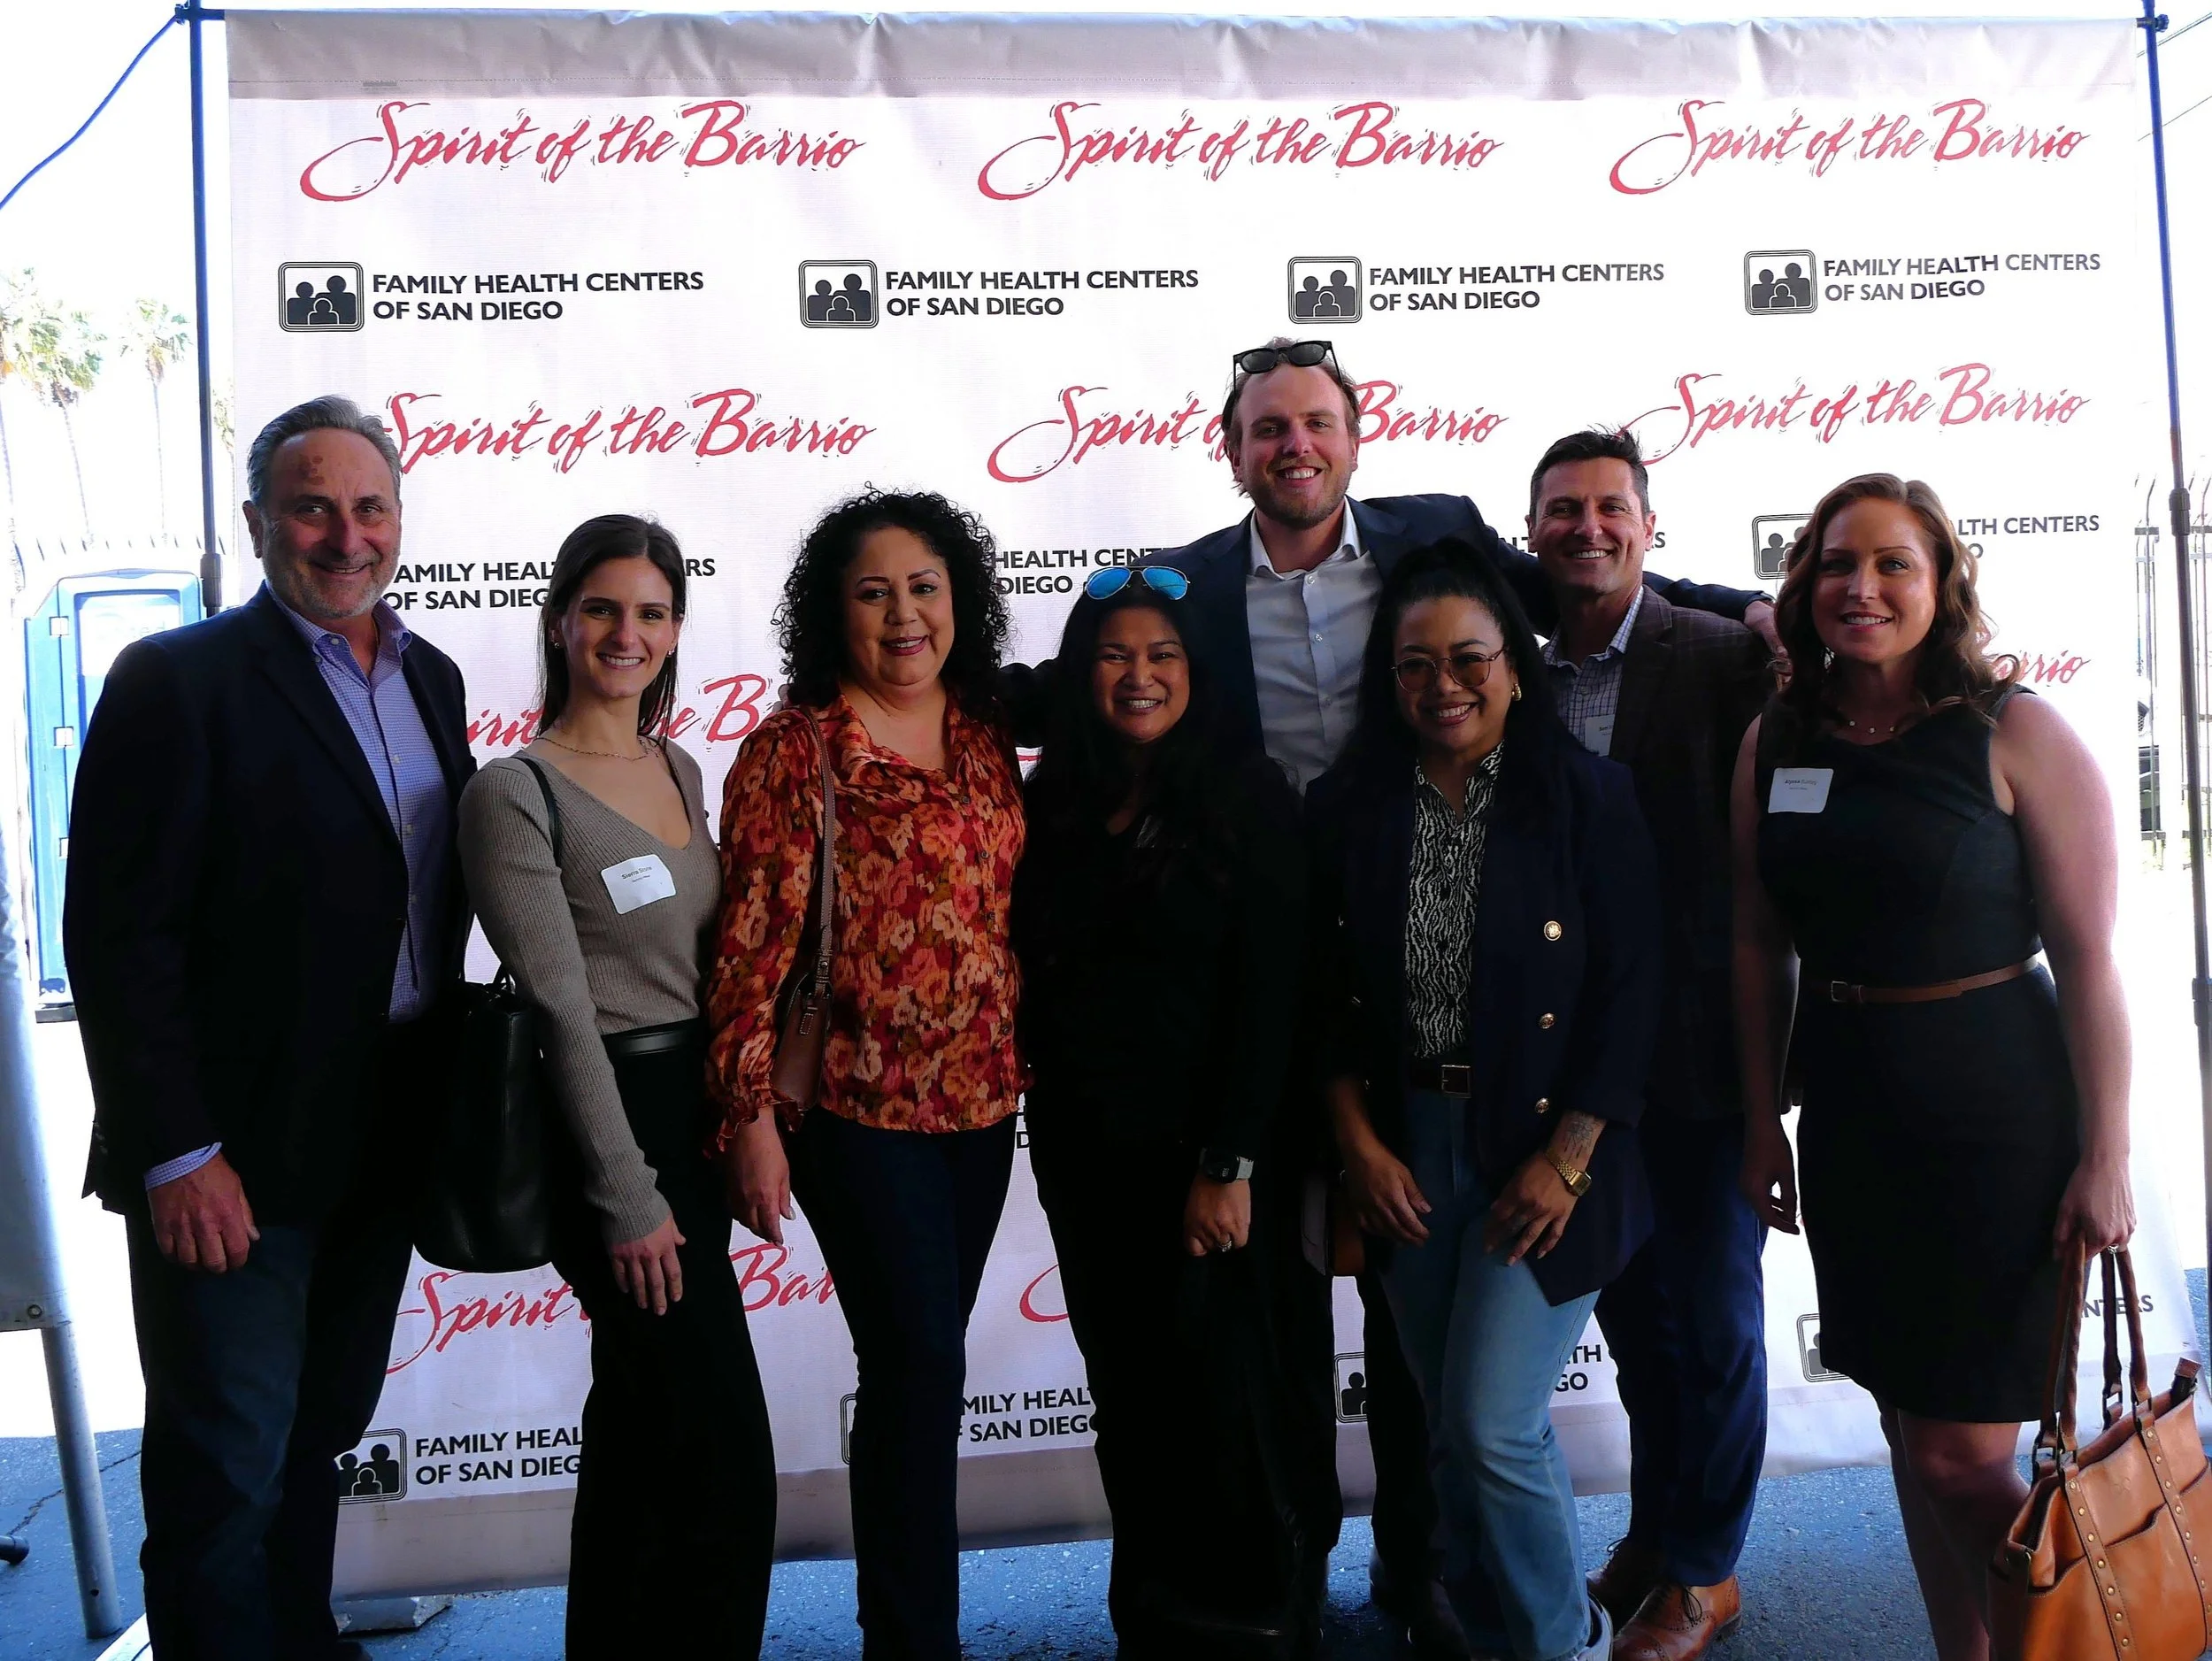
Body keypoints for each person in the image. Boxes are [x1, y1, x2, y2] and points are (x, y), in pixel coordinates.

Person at [1001, 335, 1775, 1659]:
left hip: (1453, 970)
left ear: (1356, 440)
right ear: (1230, 446)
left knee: (1453, 1383)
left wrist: (1759, 607)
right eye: (1266, 429)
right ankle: (1292, 1576)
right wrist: (918, 679)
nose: (1292, 446)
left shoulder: (1439, 542)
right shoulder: (1182, 586)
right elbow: (1089, 681)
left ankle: (1442, 1582)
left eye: (1315, 423)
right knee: (1295, 1308)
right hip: (1303, 983)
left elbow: (1584, 579)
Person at [63, 396, 473, 1661]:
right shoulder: (176, 681)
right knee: (222, 1471)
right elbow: (119, 939)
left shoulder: (432, 677)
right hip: (230, 1161)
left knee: (319, 1438)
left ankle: (301, 1639)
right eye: (312, 506)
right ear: (258, 524)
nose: (343, 536)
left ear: (398, 522)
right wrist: (174, 1151)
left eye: (368, 508)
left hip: (381, 1139)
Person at [1733, 473, 2133, 1661]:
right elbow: (1756, 946)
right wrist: (1764, 1121)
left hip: (1997, 1116)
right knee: (1911, 1427)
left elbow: (2092, 958)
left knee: (1966, 1455)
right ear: (1805, 586)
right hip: (1854, 1114)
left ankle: (2070, 1644)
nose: (1862, 588)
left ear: (1942, 582)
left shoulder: (2013, 728)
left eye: (1894, 564)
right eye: (1838, 565)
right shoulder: (1778, 737)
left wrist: (2109, 1152)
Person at [1310, 540, 1663, 1661]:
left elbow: (1635, 985)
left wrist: (1568, 1155)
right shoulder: (1347, 804)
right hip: (1407, 1148)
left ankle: (1567, 1645)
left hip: (1548, 1147)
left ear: (1515, 664)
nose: (1443, 684)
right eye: (1414, 665)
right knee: (1452, 1437)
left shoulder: (1588, 797)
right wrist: (1357, 1147)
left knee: (1490, 1422)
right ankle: (1501, 1635)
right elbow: (1317, 993)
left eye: (1468, 658)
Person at [707, 488, 1025, 1661]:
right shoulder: (798, 747)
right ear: (833, 614)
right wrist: (746, 1113)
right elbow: (750, 943)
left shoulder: (988, 736)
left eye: (925, 586)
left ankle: (912, 1629)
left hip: (987, 1104)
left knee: (922, 1375)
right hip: (857, 1111)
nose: (904, 614)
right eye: (874, 590)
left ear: (961, 601)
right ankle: (911, 1641)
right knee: (914, 1366)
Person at [457, 514, 775, 1657]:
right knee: (726, 1458)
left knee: (644, 1439)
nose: (624, 633)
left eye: (649, 612)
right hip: (615, 1140)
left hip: (693, 1122)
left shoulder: (678, 765)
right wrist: (627, 1195)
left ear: (677, 628)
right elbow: (560, 1012)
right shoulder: (517, 792)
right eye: (601, 609)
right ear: (559, 621)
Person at [1012, 566, 1313, 1657]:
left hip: (1213, 1159)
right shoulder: (1052, 798)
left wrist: (1230, 1161)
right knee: (1128, 1392)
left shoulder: (1246, 793)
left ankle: (1257, 1620)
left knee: (1229, 1393)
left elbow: (1274, 992)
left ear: (1198, 672)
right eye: (1112, 655)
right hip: (1087, 1155)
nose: (1138, 677)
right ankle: (1155, 1620)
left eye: (1162, 657)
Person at [1525, 429, 1772, 1661]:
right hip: (1578, 1068)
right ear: (1531, 533)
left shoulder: (1727, 657)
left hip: (1706, 1055)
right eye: (1563, 510)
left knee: (1717, 1319)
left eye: (1610, 508)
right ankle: (1661, 1531)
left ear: (1648, 525)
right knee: (1637, 1323)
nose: (1587, 528)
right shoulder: (1510, 666)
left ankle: (1708, 1571)